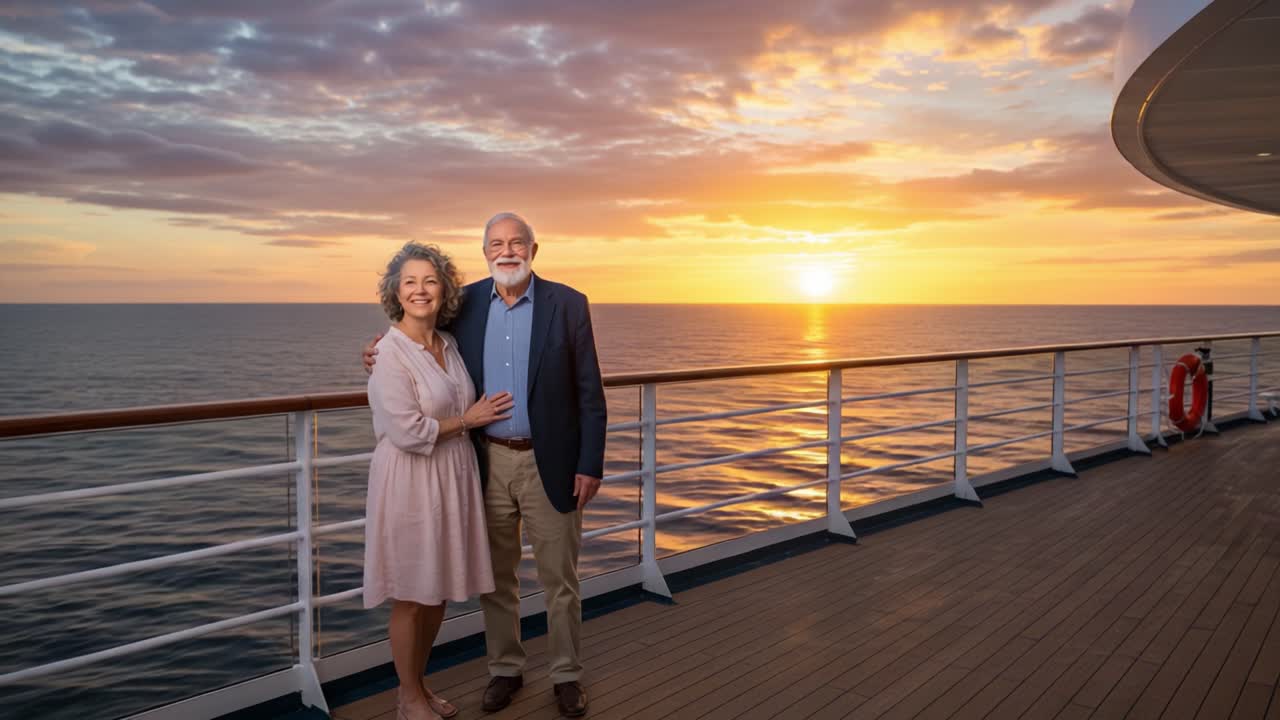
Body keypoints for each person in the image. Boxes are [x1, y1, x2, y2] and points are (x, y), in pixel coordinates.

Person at [364, 212, 606, 717]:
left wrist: (590, 464)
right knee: (496, 579)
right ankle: (506, 669)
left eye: (517, 242)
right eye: (497, 244)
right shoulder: (467, 303)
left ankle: (566, 675)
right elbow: (412, 335)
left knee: (560, 579)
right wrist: (374, 350)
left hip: (551, 463)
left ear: (534, 250)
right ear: (485, 253)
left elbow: (590, 393)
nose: (507, 251)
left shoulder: (568, 304)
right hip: (485, 463)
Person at [364, 241, 515, 720]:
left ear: (444, 289)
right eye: (409, 281)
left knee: (435, 590)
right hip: (411, 481)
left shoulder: (448, 344)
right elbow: (406, 431)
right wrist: (469, 420)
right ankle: (407, 697)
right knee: (411, 595)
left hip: (450, 476)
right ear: (395, 292)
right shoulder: (389, 353)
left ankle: (419, 686)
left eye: (430, 280)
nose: (420, 290)